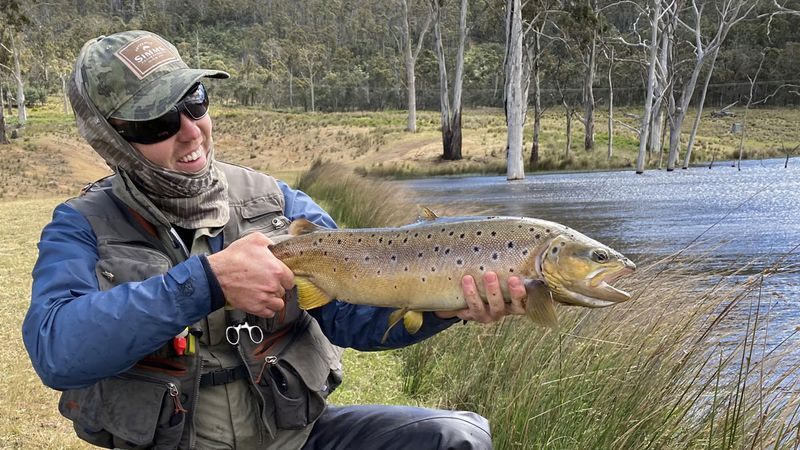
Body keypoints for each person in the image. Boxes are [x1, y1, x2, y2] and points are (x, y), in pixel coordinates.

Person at [22, 30, 528, 450]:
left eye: (194, 100)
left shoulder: (278, 203)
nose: (191, 131)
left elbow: (352, 318)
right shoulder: (82, 226)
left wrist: (445, 305)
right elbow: (57, 349)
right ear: (110, 138)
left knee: (456, 438)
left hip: (298, 440)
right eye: (158, 121)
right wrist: (206, 283)